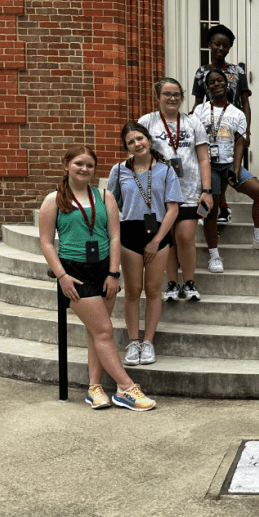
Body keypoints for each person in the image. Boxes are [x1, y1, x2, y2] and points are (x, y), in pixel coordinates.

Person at [37, 145, 156, 411]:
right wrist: (62, 277)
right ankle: (126, 388)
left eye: (90, 165)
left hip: (104, 271)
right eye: (79, 163)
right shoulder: (53, 200)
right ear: (66, 165)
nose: (84, 169)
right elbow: (46, 243)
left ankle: (94, 388)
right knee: (104, 330)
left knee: (95, 332)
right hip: (75, 275)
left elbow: (115, 236)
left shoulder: (105, 196)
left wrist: (114, 273)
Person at [108, 123, 183, 366]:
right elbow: (110, 207)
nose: (137, 144)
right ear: (126, 147)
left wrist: (157, 240)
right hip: (129, 234)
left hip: (157, 235)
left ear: (148, 139)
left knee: (152, 290)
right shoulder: (118, 171)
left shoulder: (165, 170)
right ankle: (133, 342)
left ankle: (148, 342)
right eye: (131, 142)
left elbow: (173, 209)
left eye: (139, 138)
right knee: (132, 291)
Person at [195, 68, 259, 274]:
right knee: (212, 210)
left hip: (228, 164)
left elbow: (240, 144)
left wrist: (235, 171)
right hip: (209, 167)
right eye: (212, 82)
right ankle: (214, 255)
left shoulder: (237, 113)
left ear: (226, 84)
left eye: (219, 81)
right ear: (207, 88)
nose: (216, 84)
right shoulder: (200, 111)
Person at [139, 77, 214, 302]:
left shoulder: (193, 123)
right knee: (167, 239)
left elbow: (203, 159)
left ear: (182, 97)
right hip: (159, 192)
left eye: (177, 95)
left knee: (185, 236)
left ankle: (189, 283)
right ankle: (172, 284)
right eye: (167, 94)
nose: (172, 98)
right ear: (158, 96)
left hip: (189, 191)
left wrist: (207, 190)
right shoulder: (147, 121)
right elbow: (137, 156)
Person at [192, 24, 250, 225]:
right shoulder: (202, 72)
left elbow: (245, 103)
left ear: (229, 48)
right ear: (209, 45)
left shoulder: (237, 71)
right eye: (217, 44)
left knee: (227, 166)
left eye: (225, 45)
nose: (221, 49)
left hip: (231, 127)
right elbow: (198, 103)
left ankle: (222, 207)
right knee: (211, 167)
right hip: (208, 129)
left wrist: (246, 131)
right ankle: (216, 208)